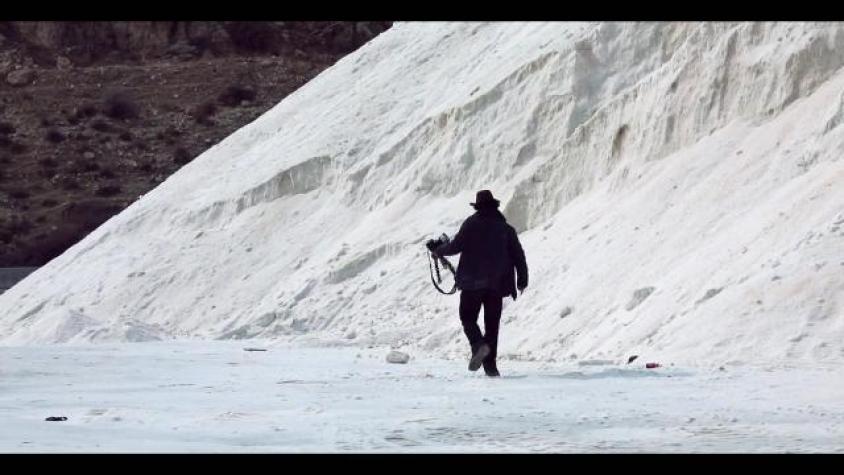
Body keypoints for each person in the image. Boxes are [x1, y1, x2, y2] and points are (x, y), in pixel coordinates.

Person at [427, 190, 528, 377]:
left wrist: (439, 250)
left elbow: (455, 246)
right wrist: (522, 280)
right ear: (495, 206)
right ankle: (491, 368)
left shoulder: (471, 224)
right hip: (497, 285)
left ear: (478, 207)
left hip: (472, 283)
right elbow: (518, 256)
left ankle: (478, 345)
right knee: (492, 326)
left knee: (467, 318)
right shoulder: (506, 229)